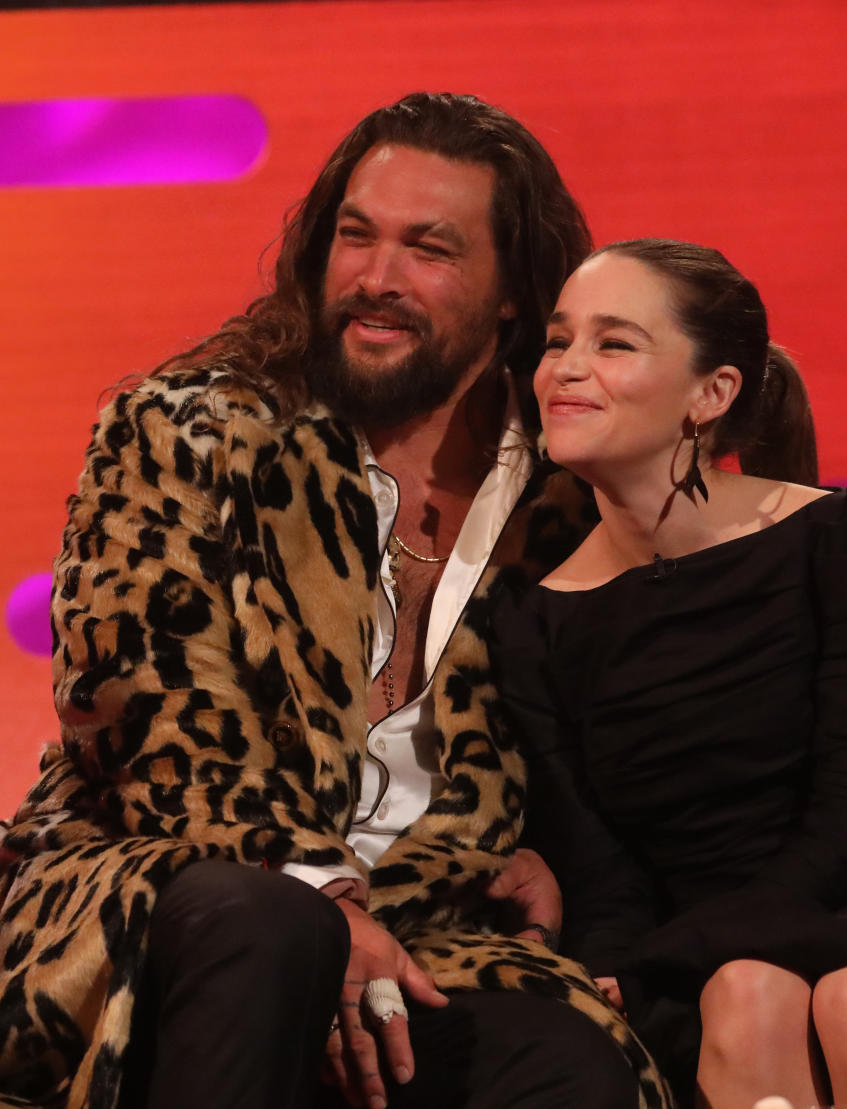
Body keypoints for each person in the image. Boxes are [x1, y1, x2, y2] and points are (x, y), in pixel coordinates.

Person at [0, 95, 668, 1109]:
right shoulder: (188, 432)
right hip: (169, 893)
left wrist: (546, 857)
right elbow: (148, 718)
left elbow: (619, 737)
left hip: (421, 938)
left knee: (566, 1061)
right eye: (356, 236)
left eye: (428, 248)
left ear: (511, 294)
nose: (376, 278)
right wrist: (324, 893)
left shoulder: (566, 501)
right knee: (272, 926)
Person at [487, 238, 847, 1109]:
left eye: (614, 343)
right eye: (558, 341)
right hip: (698, 960)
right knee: (748, 997)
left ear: (714, 393)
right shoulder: (531, 619)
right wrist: (623, 969)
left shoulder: (843, 540)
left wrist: (681, 952)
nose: (566, 369)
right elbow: (602, 868)